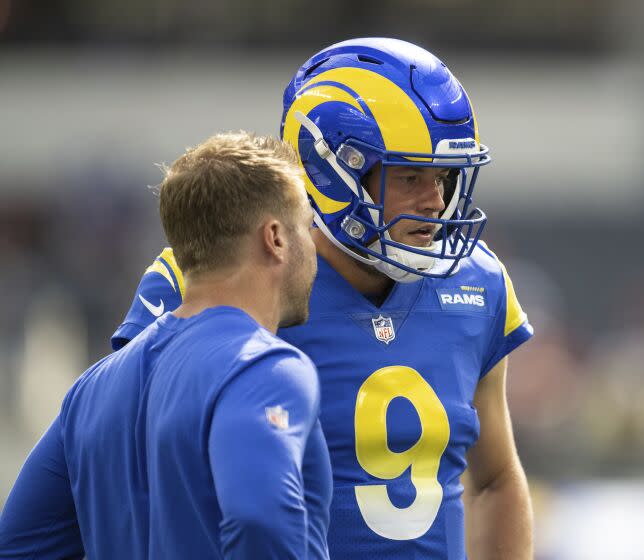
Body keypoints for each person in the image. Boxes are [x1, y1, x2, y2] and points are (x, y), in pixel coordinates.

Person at [112, 38, 533, 559]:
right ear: (334, 173)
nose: (438, 202)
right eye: (410, 177)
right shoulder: (219, 277)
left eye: (444, 177)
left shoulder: (478, 283)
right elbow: (120, 463)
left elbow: (494, 478)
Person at [0, 132, 331, 559]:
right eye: (306, 226)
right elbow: (257, 519)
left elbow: (18, 546)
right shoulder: (265, 368)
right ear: (276, 238)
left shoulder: (90, 391)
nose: (314, 245)